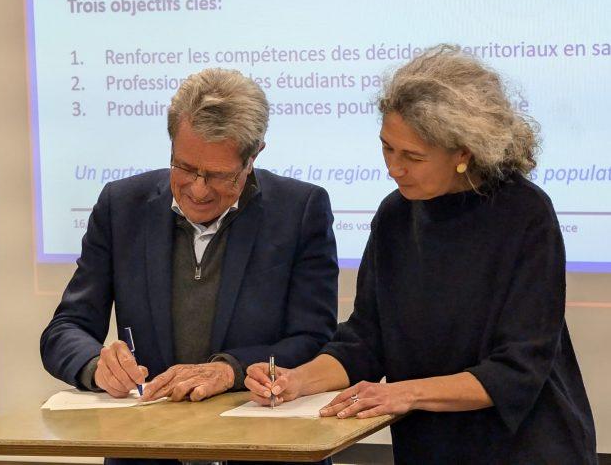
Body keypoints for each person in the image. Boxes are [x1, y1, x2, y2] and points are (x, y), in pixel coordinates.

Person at [245, 45, 597, 464]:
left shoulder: (525, 213)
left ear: (463, 152)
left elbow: (518, 368)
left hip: (526, 447)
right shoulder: (395, 215)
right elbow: (366, 341)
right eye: (387, 148)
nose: (394, 168)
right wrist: (297, 380)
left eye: (412, 156)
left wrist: (406, 392)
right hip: (431, 447)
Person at [40, 68, 338, 465]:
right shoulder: (122, 206)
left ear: (253, 157)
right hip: (147, 451)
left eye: (218, 176)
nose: (198, 189)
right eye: (184, 167)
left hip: (266, 449)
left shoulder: (299, 211)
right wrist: (97, 365)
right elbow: (65, 330)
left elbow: (315, 338)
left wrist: (231, 371)